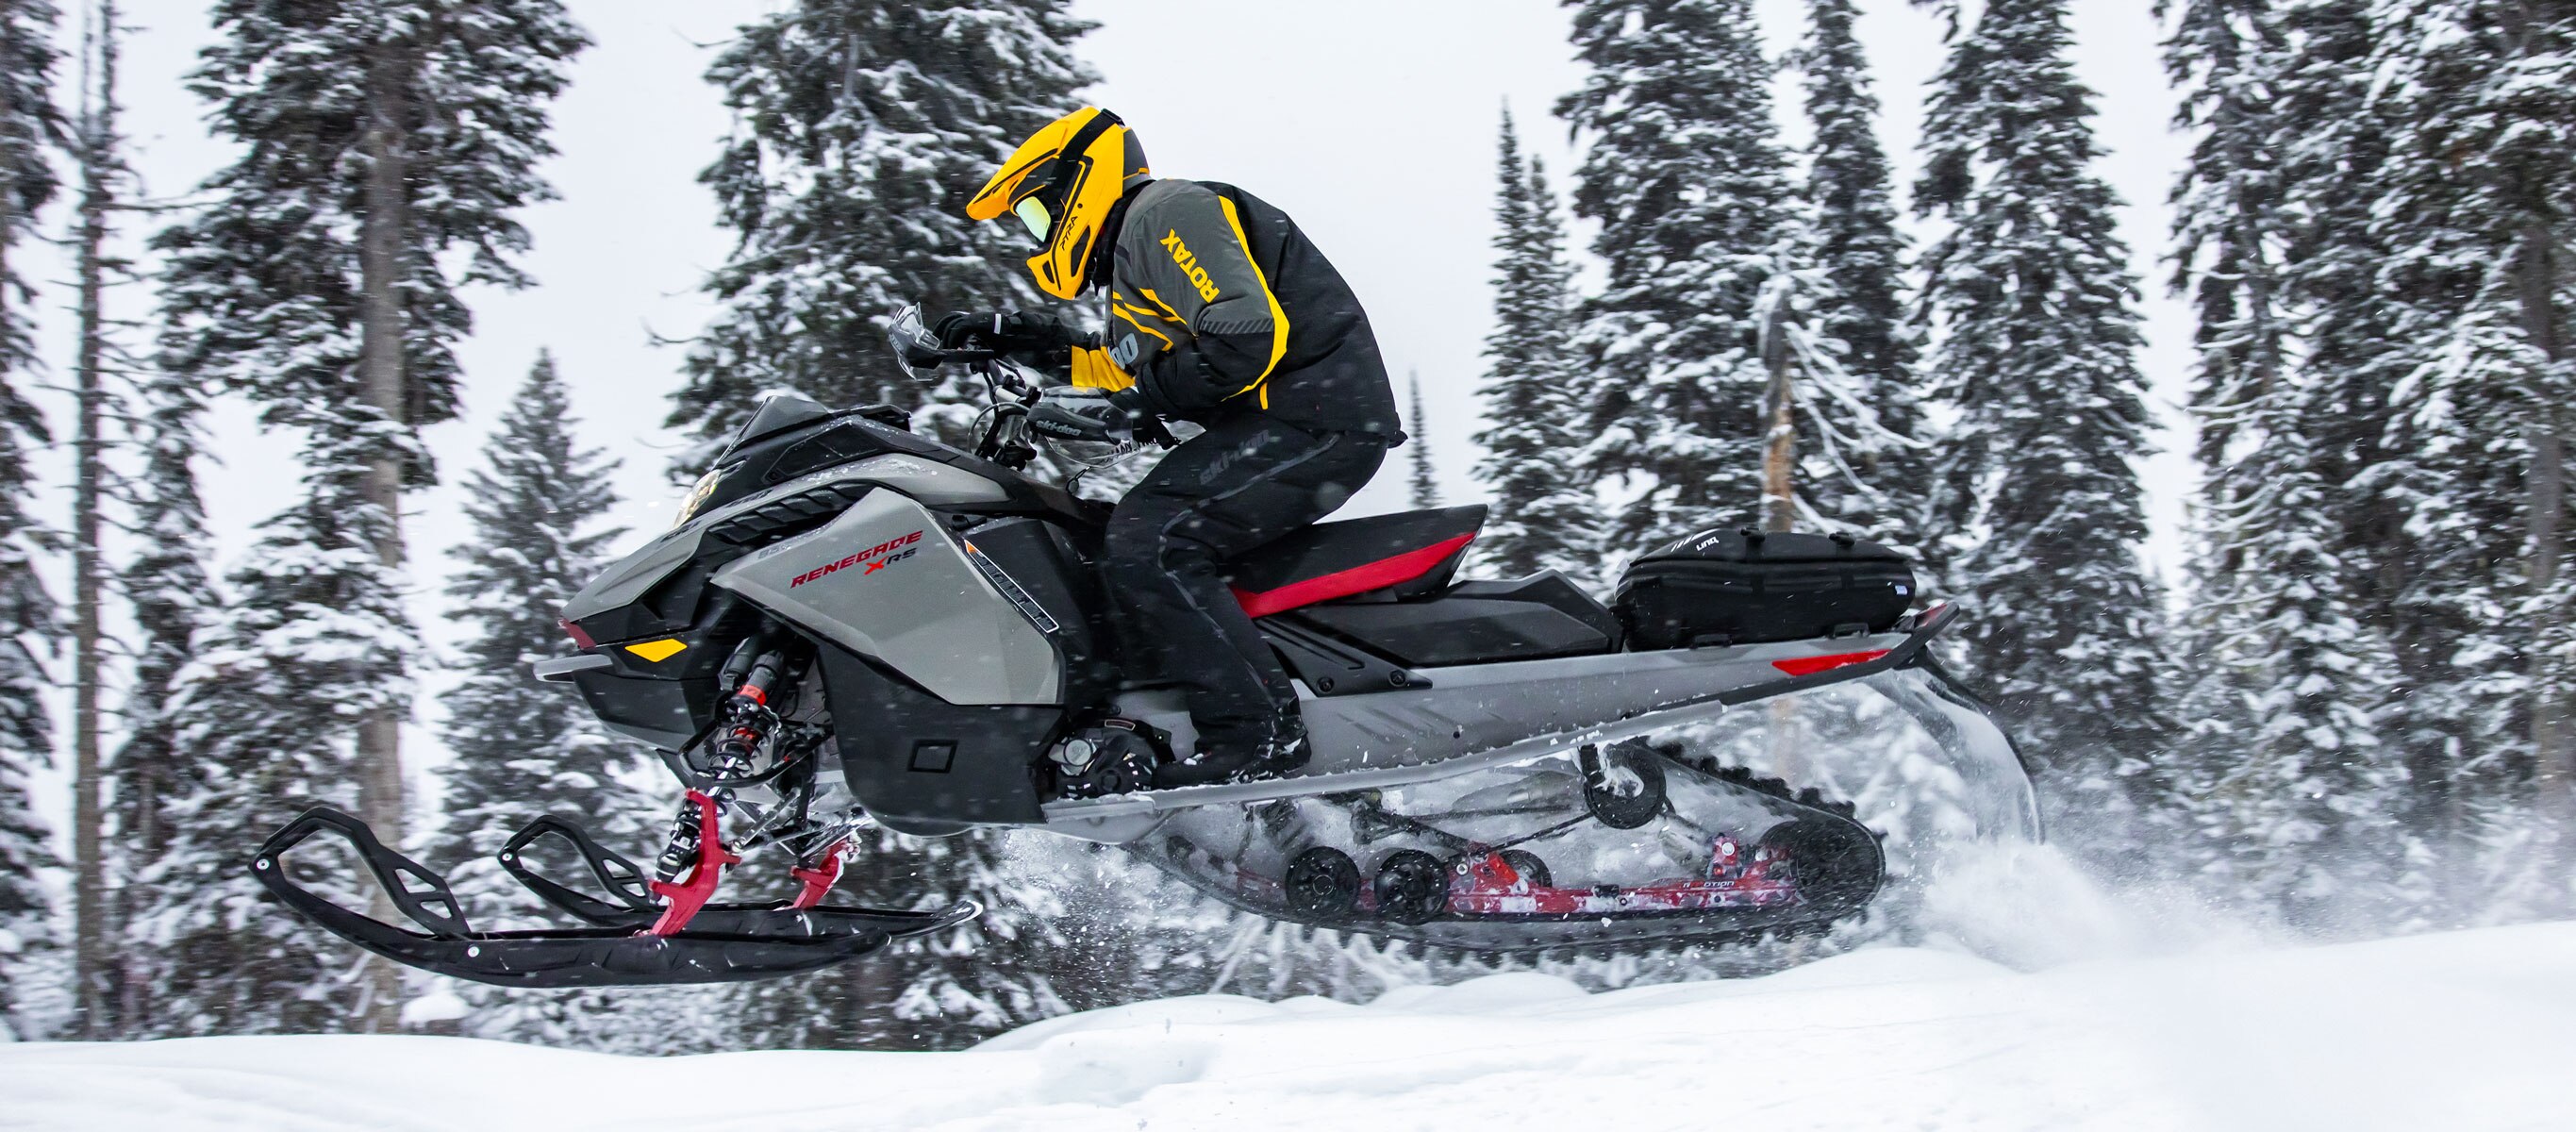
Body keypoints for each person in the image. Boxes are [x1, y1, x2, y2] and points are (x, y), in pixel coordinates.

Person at [938, 106, 1403, 788]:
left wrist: (1136, 406)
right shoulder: (1133, 260)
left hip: (1312, 418)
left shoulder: (1165, 212)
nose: (1039, 237)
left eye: (1039, 217)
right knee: (1118, 542)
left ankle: (1259, 734)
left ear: (1077, 188)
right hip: (1293, 421)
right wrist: (1013, 335)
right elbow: (1116, 366)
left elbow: (1244, 336)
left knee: (1151, 539)